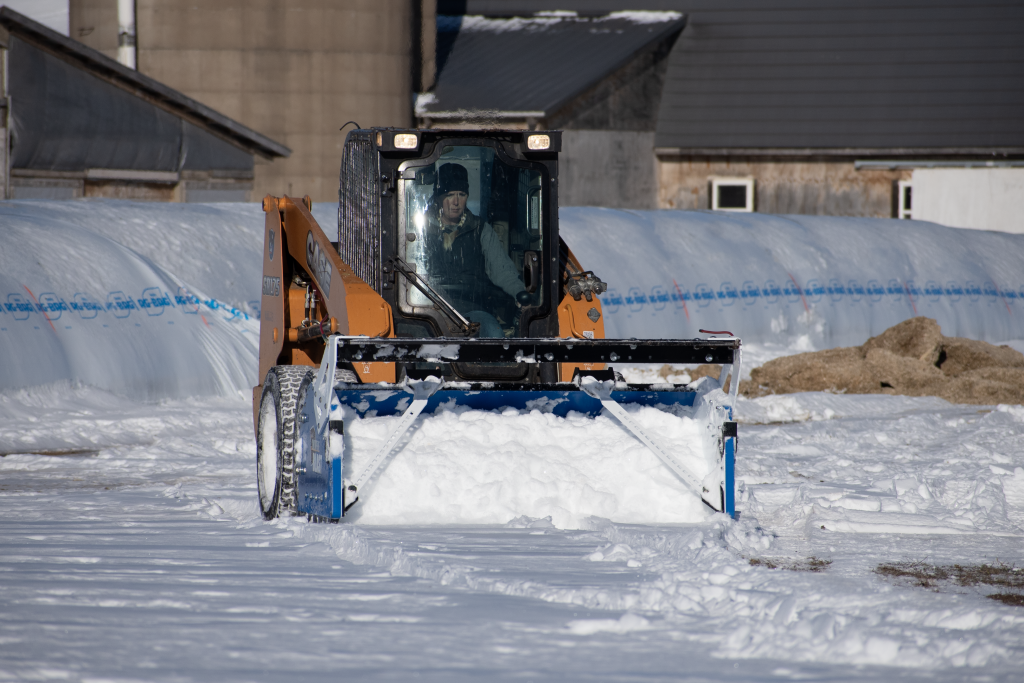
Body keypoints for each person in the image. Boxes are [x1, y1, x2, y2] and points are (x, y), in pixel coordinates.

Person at [423, 163, 529, 337]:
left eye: (461, 195)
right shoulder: (422, 230)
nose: (456, 202)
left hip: (475, 310)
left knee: (495, 336)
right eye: (450, 195)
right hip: (430, 310)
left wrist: (519, 293)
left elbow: (501, 270)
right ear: (439, 197)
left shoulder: (481, 229)